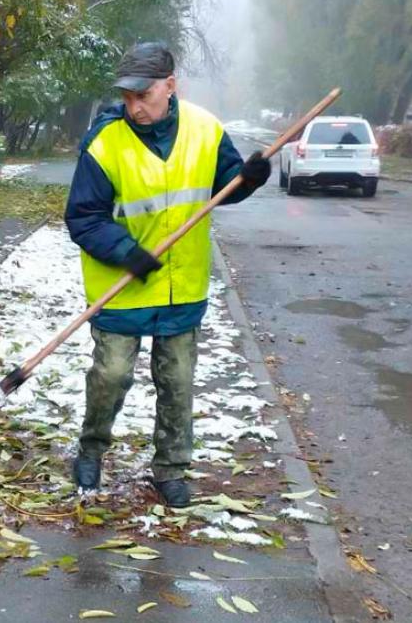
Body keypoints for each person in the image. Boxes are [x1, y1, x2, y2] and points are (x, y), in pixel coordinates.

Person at [64, 42, 271, 507]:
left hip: (182, 287)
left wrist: (251, 178)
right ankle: (91, 452)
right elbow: (82, 217)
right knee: (111, 376)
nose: (135, 105)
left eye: (145, 95)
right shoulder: (105, 142)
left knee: (177, 383)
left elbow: (226, 187)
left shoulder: (205, 129)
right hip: (123, 288)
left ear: (170, 86)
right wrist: (126, 252)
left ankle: (171, 469)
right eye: (128, 96)